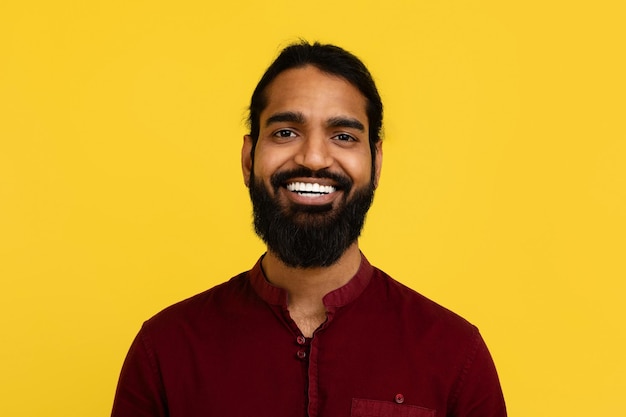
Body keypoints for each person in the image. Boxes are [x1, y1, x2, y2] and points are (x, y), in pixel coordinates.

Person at [111, 41, 507, 417]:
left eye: (343, 136)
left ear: (377, 162)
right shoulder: (164, 352)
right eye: (285, 132)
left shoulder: (455, 355)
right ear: (249, 158)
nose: (314, 157)